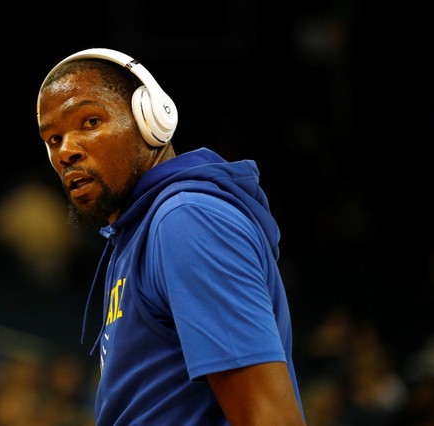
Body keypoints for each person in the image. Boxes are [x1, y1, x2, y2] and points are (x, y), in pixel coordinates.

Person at [35, 47, 307, 426]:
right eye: (52, 139)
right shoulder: (138, 234)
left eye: (90, 122)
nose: (66, 151)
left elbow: (269, 416)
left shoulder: (186, 221)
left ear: (152, 118)